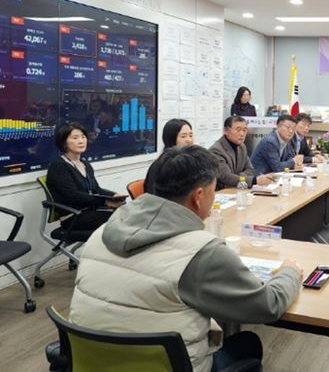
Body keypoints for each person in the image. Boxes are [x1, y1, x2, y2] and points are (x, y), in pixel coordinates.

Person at [68, 145, 303, 372]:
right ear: (198, 196)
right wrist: (289, 272)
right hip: (165, 366)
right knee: (247, 343)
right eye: (213, 190)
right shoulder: (202, 252)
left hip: (90, 362)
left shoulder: (101, 233)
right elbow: (268, 305)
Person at [46, 122, 127, 231]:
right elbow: (72, 195)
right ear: (64, 142)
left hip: (91, 210)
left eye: (83, 137)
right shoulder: (58, 166)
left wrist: (114, 195)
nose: (81, 141)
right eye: (75, 138)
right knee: (120, 219)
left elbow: (96, 189)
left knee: (127, 212)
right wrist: (105, 201)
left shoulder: (85, 164)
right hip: (74, 217)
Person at [210, 116, 274, 189]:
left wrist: (236, 178)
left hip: (237, 188)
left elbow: (250, 170)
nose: (242, 134)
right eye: (238, 130)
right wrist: (254, 181)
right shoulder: (216, 150)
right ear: (226, 131)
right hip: (221, 191)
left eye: (244, 130)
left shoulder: (242, 147)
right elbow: (226, 177)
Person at [144, 118, 193, 194]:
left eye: (190, 135)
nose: (189, 140)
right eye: (183, 136)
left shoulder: (189, 161)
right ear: (171, 139)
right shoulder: (161, 167)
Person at [230, 86, 257, 154]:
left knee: (249, 152)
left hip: (249, 135)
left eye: (248, 95)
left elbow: (255, 121)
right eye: (244, 95)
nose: (246, 97)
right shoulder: (234, 106)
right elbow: (234, 120)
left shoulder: (252, 108)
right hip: (238, 134)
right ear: (240, 96)